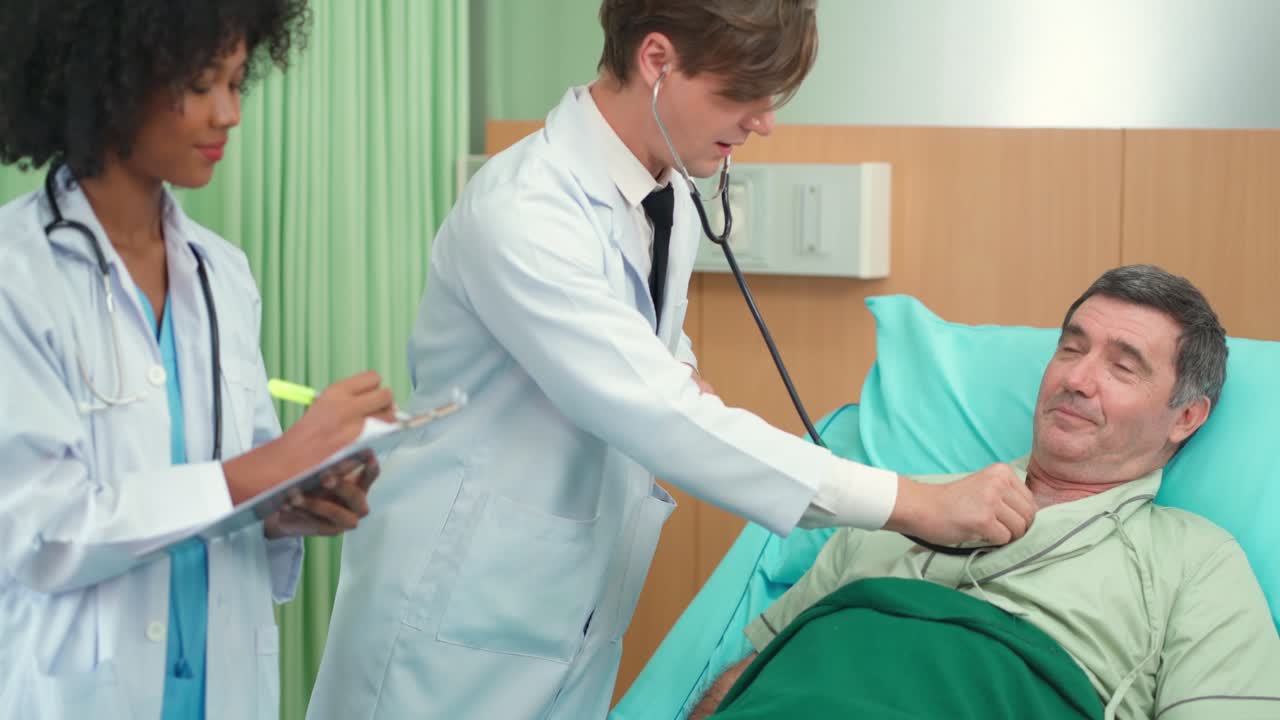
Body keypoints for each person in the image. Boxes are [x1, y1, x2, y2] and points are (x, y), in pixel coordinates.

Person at [310, 1, 1040, 718]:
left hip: (565, 609)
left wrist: (672, 370)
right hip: (456, 616)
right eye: (741, 94)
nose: (764, 121)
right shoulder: (525, 211)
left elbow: (654, 356)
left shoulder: (666, 193)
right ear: (656, 60)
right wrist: (918, 503)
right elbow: (662, 416)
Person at [0, 1, 395, 717]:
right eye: (202, 84)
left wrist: (295, 499)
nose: (229, 114)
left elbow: (237, 480)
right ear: (110, 79)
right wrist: (269, 467)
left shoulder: (224, 273)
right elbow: (41, 532)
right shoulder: (16, 276)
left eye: (238, 82)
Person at [692, 266, 1280, 720]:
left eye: (1123, 368)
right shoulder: (899, 502)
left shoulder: (1195, 562)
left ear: (1186, 417)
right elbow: (754, 673)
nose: (1076, 379)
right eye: (1071, 349)